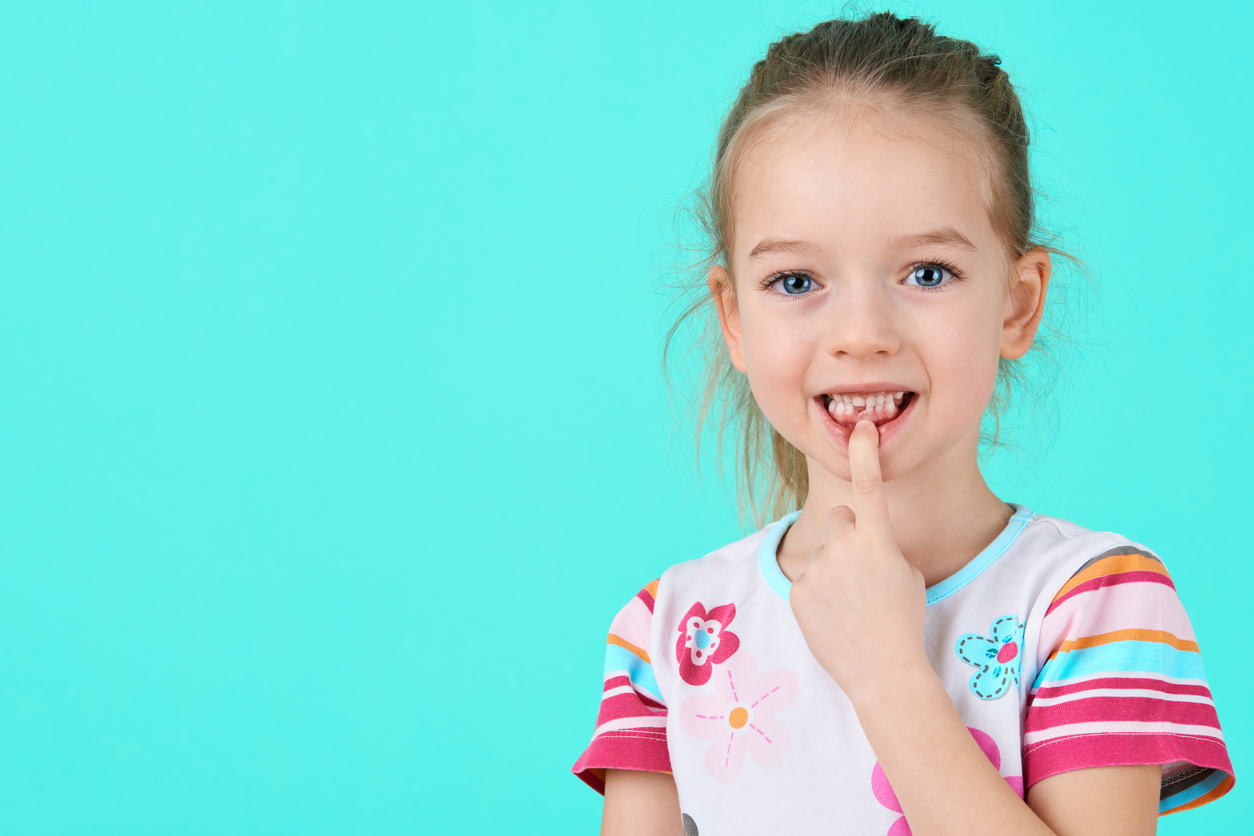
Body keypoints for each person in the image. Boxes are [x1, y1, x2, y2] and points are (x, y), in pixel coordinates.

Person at [570, 12, 1233, 836]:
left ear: (1017, 305)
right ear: (733, 319)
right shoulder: (673, 630)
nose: (861, 333)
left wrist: (887, 671)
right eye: (795, 280)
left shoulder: (1092, 605)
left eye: (927, 272)